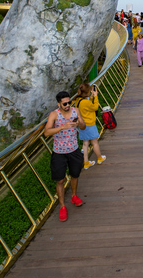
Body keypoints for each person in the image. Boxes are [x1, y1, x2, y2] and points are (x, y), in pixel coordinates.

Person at [44, 91, 86, 221]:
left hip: (74, 150)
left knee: (75, 175)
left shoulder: (75, 110)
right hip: (59, 153)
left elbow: (83, 127)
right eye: (64, 103)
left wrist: (79, 122)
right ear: (59, 104)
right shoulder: (54, 115)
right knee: (60, 180)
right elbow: (46, 132)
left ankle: (74, 195)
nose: (68, 105)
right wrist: (63, 126)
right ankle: (62, 206)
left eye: (69, 102)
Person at [74, 83, 107, 170]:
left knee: (85, 144)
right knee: (94, 142)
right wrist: (95, 96)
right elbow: (95, 107)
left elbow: (86, 105)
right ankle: (99, 158)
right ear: (88, 91)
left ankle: (86, 162)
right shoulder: (85, 102)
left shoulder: (78, 100)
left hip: (82, 125)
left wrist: (91, 97)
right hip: (90, 125)